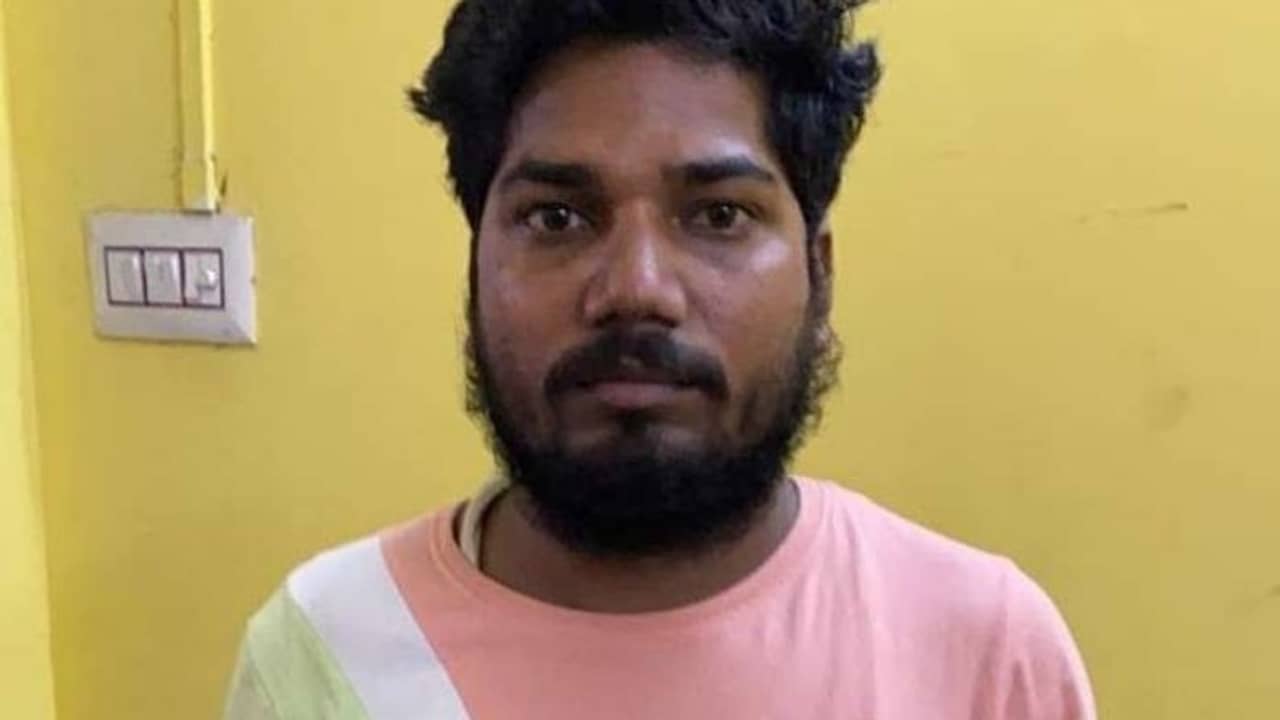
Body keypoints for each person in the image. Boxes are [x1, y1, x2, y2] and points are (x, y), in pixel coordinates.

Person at [223, 1, 1096, 718]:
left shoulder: (983, 650)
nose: (637, 289)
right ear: (475, 265)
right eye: (558, 217)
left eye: (719, 216)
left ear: (819, 273)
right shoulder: (323, 650)